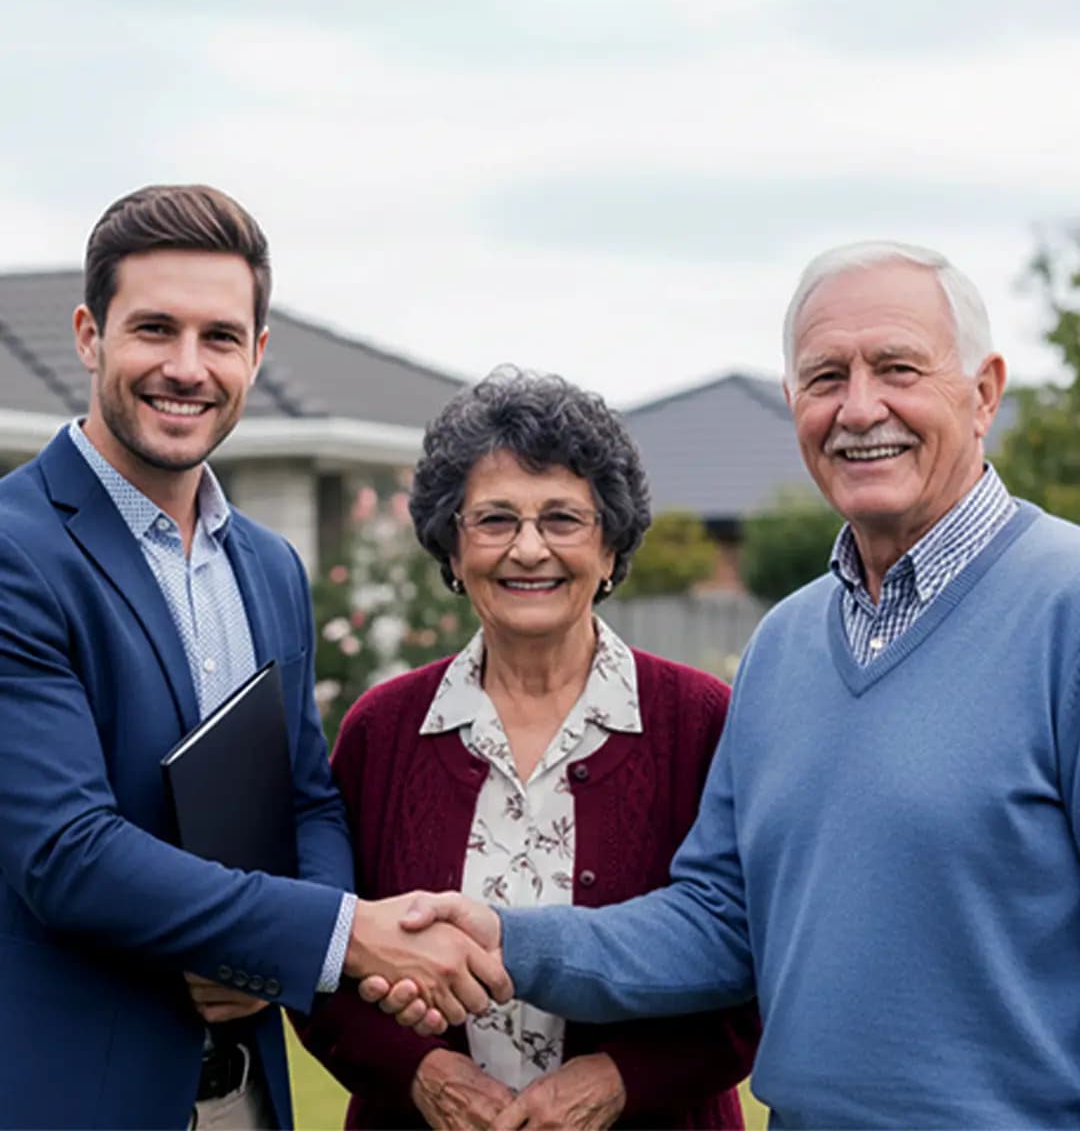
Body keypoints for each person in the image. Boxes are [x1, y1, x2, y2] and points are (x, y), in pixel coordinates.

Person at [377, 243, 1080, 1128]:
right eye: (826, 377)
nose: (860, 408)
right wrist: (505, 940)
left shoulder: (1066, 611)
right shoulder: (785, 644)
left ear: (984, 393)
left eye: (897, 368)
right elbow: (720, 925)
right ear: (794, 403)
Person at [0, 185, 507, 1131]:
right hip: (75, 1091)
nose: (187, 368)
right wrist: (340, 937)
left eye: (220, 337)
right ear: (87, 336)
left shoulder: (269, 566)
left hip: (248, 1097)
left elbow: (304, 797)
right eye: (155, 329)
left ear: (258, 355)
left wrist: (277, 949)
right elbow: (65, 855)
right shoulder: (15, 551)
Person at [299, 368, 759, 1130]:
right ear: (452, 550)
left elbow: (756, 964)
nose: (529, 548)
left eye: (563, 519)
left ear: (611, 549)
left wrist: (619, 1082)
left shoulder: (703, 725)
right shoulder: (383, 732)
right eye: (494, 520)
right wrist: (424, 1075)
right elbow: (324, 962)